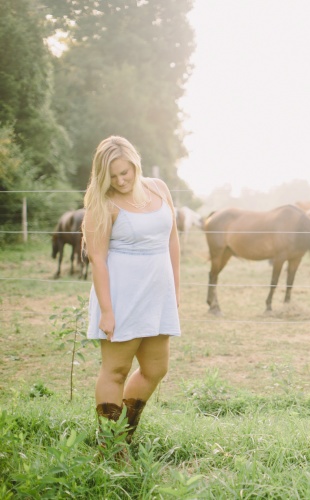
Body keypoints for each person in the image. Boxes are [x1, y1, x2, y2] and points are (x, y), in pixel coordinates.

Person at [82, 135, 180, 446]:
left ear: (136, 164)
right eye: (112, 176)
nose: (121, 180)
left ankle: (122, 434)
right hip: (122, 296)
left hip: (157, 295)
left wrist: (175, 293)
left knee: (155, 369)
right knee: (116, 370)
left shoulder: (158, 188)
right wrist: (107, 310)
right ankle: (110, 447)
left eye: (126, 172)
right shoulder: (103, 203)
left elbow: (172, 241)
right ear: (102, 176)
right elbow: (97, 259)